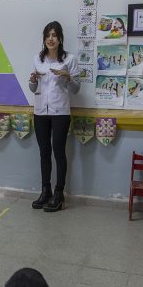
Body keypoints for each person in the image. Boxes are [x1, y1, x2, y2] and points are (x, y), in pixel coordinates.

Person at [28, 21, 80, 212]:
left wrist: (68, 77)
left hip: (60, 112)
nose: (51, 39)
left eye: (54, 35)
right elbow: (34, 89)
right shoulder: (37, 60)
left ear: (60, 39)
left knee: (58, 152)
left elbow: (76, 89)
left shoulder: (69, 60)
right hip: (40, 111)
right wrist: (32, 81)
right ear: (44, 39)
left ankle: (59, 194)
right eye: (48, 35)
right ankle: (45, 191)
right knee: (44, 153)